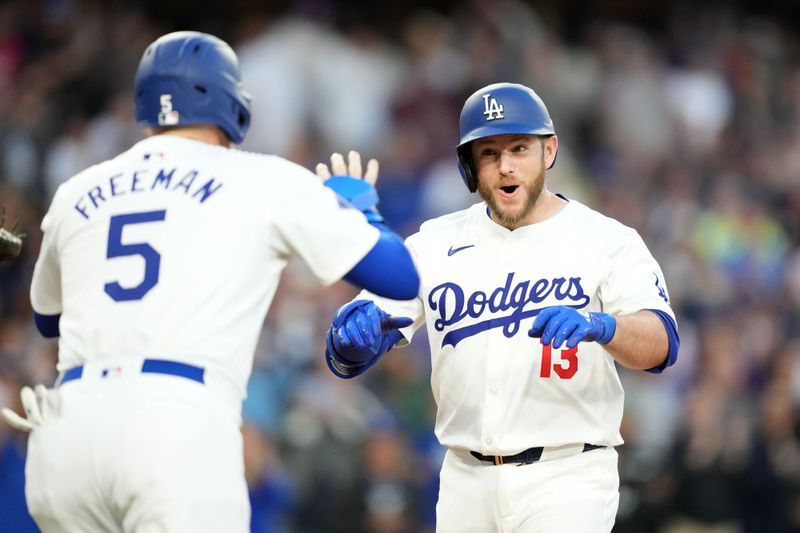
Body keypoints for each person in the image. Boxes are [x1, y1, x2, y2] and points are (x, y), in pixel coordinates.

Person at [0, 31, 419, 533]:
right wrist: (361, 211)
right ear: (231, 103)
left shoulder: (77, 189)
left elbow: (49, 320)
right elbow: (398, 276)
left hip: (67, 435)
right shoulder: (262, 178)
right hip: (175, 427)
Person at [321, 82, 680, 532]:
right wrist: (352, 339)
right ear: (469, 165)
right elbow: (352, 351)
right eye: (489, 153)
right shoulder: (434, 242)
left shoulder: (606, 240)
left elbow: (662, 344)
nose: (505, 166)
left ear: (549, 151)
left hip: (567, 475)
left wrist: (603, 326)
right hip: (463, 480)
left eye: (519, 148)